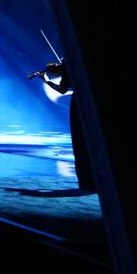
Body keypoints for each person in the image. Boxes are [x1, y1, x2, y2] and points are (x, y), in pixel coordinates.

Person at [38, 61, 95, 191]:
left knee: (79, 141)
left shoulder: (68, 66)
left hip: (80, 101)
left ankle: (87, 182)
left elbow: (62, 90)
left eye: (54, 72)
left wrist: (47, 80)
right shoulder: (68, 63)